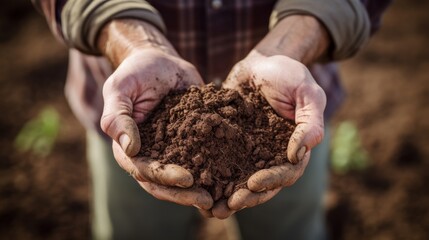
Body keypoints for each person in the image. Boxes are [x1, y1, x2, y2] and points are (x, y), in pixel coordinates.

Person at [33, 0, 391, 239]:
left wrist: (289, 46)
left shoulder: (282, 112)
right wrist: (133, 44)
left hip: (288, 107)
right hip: (136, 105)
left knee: (290, 229)